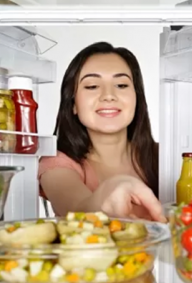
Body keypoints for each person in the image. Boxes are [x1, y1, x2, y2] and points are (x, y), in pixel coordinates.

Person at [38, 42, 166, 222]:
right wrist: (111, 189)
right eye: (92, 86)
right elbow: (77, 210)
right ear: (73, 104)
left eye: (121, 85)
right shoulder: (56, 163)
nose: (108, 95)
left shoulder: (166, 157)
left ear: (137, 98)